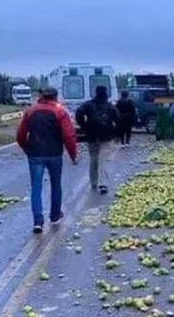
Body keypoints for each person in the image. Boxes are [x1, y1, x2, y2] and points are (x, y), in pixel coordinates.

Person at [16, 87, 78, 233]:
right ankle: (55, 215)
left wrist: (26, 148)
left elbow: (20, 134)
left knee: (36, 187)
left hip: (35, 154)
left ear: (41, 96)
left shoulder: (30, 111)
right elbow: (69, 136)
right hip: (55, 153)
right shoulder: (60, 111)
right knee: (56, 184)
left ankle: (37, 220)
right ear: (55, 96)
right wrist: (73, 155)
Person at [76, 86, 118, 194]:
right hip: (106, 136)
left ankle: (94, 181)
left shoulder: (88, 105)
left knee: (93, 159)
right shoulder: (110, 106)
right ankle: (103, 184)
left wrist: (84, 126)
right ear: (106, 93)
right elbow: (117, 119)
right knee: (104, 159)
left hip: (92, 135)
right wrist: (115, 131)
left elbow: (79, 113)